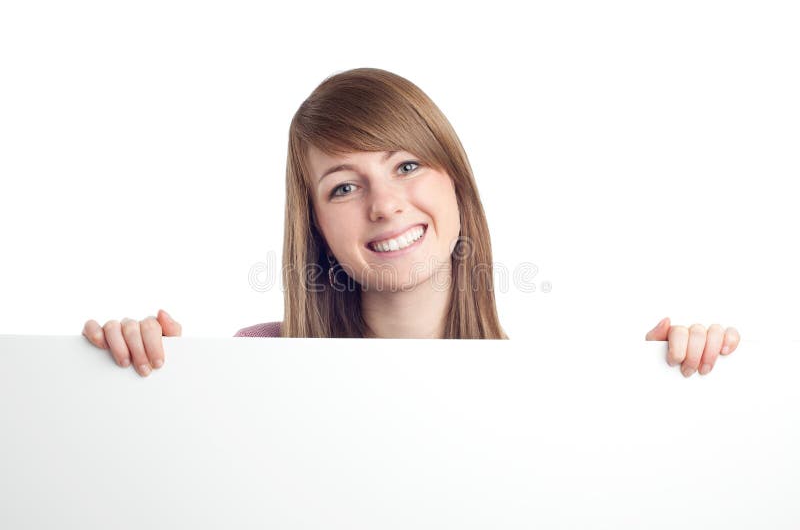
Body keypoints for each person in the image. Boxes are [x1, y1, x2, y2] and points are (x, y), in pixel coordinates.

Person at [81, 68, 741, 377]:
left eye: (406, 166)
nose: (385, 204)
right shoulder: (253, 365)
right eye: (344, 186)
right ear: (314, 223)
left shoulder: (539, 388)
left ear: (454, 181)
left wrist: (671, 387)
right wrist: (126, 378)